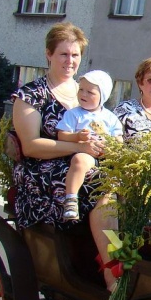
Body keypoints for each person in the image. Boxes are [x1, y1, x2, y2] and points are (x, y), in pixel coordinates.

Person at [11, 22, 117, 290]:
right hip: (42, 172)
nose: (70, 61)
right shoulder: (32, 94)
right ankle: (111, 272)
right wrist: (79, 148)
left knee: (124, 188)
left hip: (86, 165)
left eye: (75, 55)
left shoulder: (88, 91)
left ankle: (122, 259)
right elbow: (31, 146)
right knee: (99, 187)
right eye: (64, 54)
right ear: (49, 54)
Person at [56, 70, 123, 223]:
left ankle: (126, 206)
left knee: (123, 171)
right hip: (85, 154)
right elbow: (61, 135)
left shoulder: (110, 118)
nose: (83, 94)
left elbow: (118, 139)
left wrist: (111, 145)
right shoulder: (74, 114)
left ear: (102, 97)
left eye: (90, 92)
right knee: (80, 160)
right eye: (81, 90)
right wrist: (77, 137)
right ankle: (71, 200)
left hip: (105, 157)